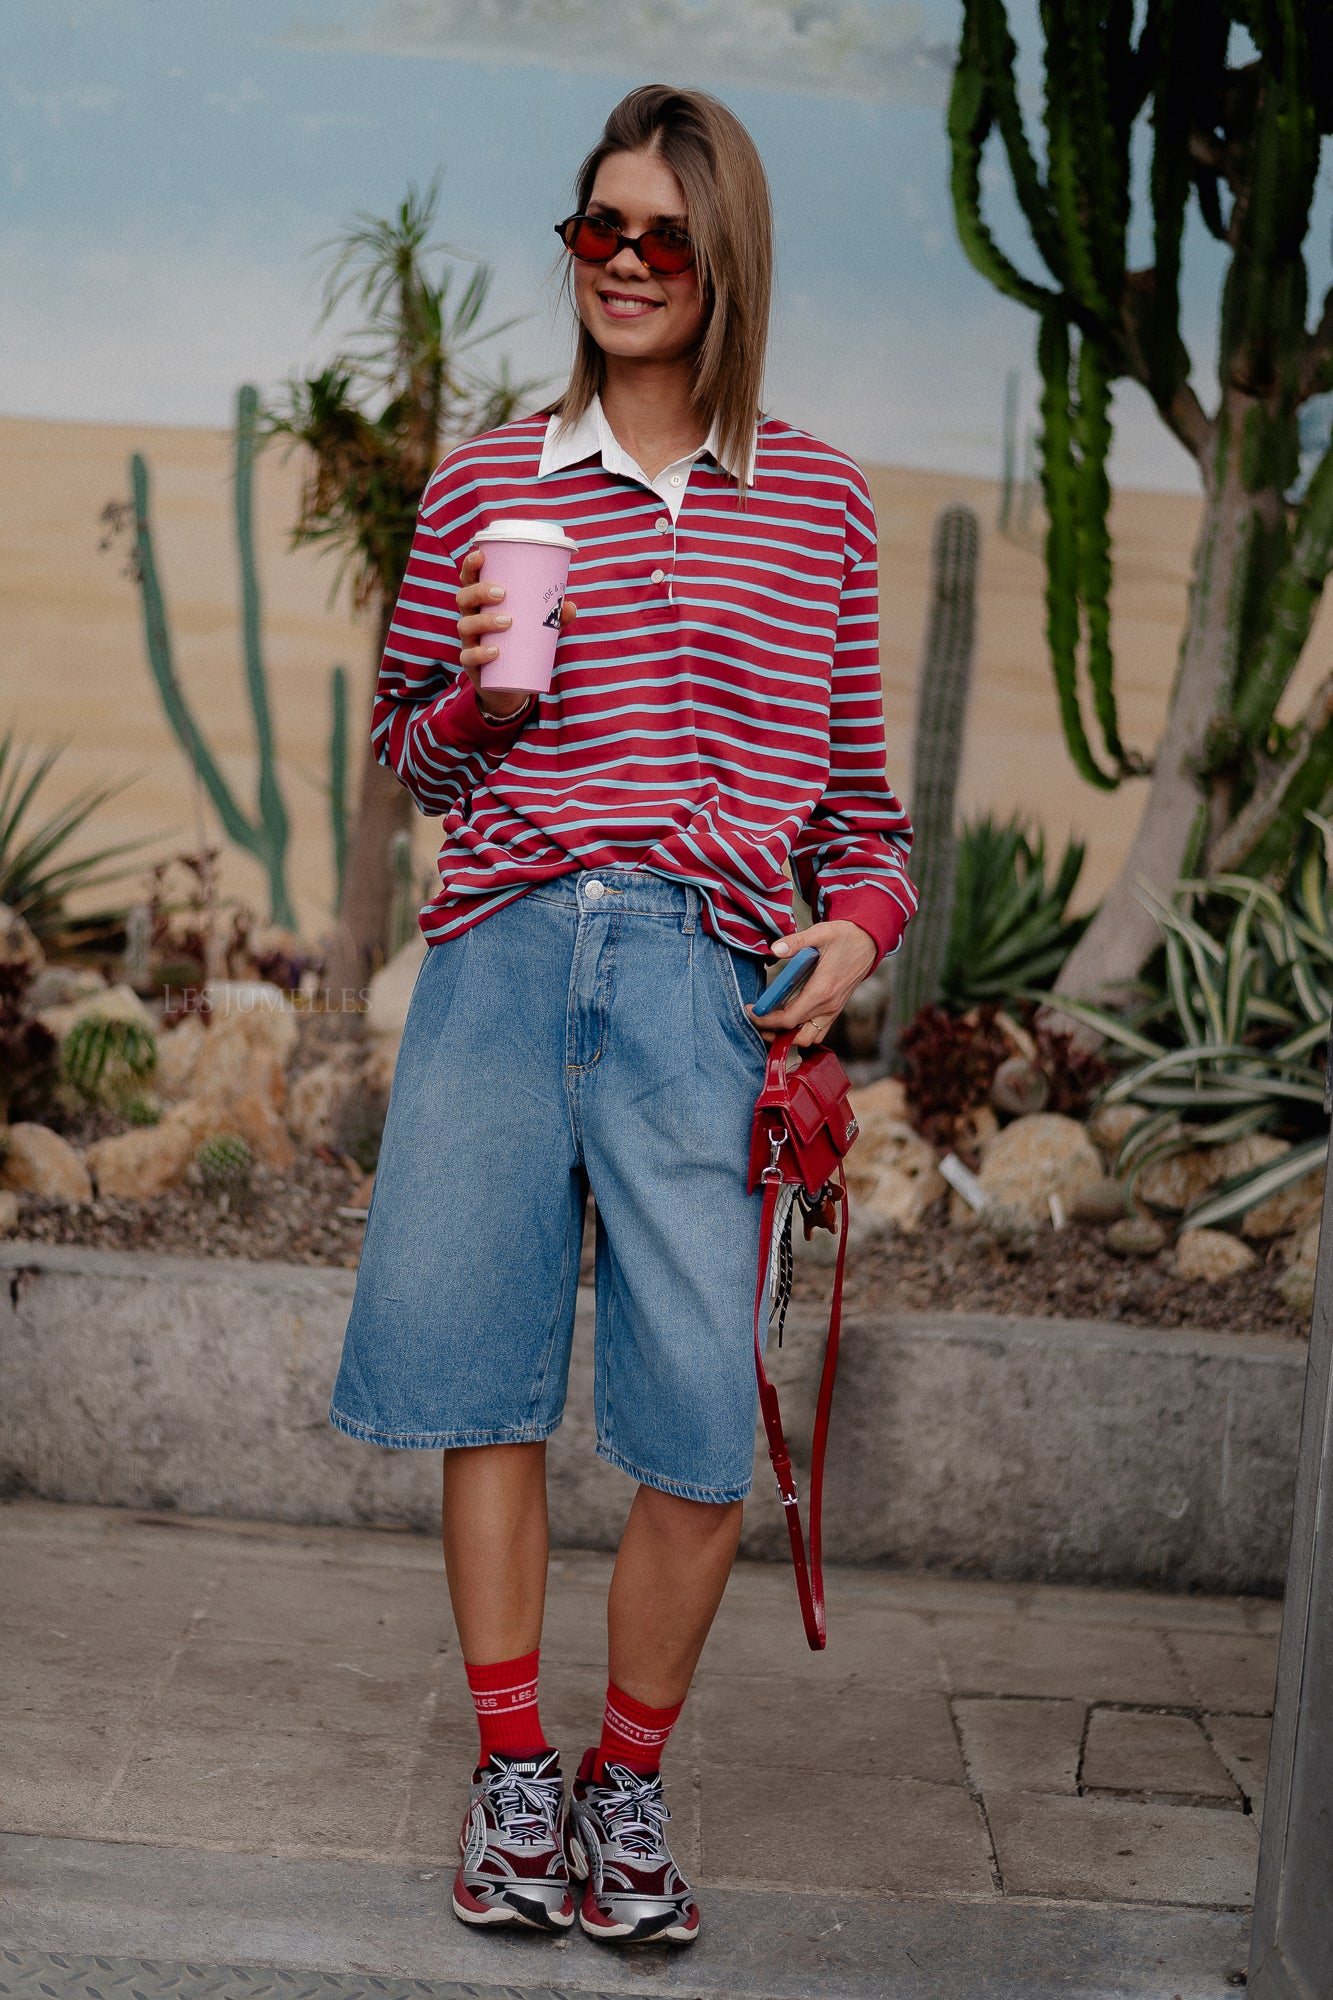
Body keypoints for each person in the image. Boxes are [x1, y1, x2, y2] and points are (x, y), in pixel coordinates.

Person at [328, 82, 916, 1948]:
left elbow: (869, 827)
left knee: (691, 1431)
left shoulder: (815, 499)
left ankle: (624, 1788)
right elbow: (407, 750)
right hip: (505, 956)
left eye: (664, 234)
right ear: (571, 247)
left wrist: (859, 936)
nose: (627, 265)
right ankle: (515, 1771)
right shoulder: (489, 480)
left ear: (720, 253)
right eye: (599, 231)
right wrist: (485, 711)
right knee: (483, 1384)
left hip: (702, 988)